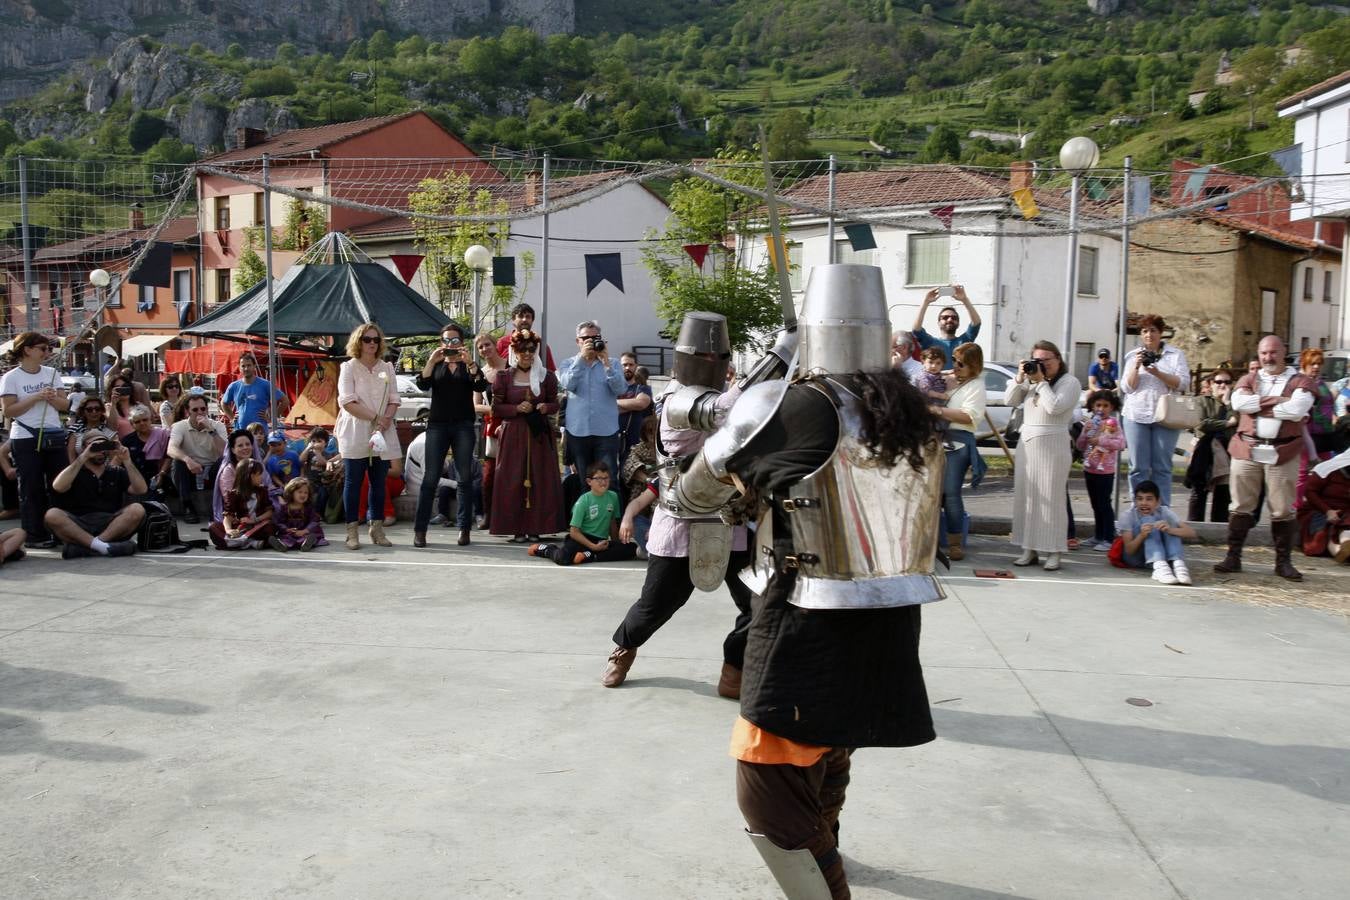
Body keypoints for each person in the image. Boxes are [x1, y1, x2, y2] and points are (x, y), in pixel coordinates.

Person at [667, 265, 942, 899]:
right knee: (829, 749)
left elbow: (696, 489)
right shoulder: (906, 407)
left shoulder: (801, 404)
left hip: (808, 610)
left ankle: (825, 884)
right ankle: (829, 847)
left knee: (767, 785)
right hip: (892, 611)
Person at [599, 311, 754, 697]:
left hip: (729, 517)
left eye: (719, 358)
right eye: (706, 358)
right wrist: (779, 357)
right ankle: (625, 646)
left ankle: (734, 667)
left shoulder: (721, 397)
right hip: (681, 518)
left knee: (760, 603)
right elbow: (724, 410)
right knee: (655, 607)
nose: (714, 365)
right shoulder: (675, 400)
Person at [1215, 334, 1316, 580]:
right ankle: (1233, 557)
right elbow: (1239, 404)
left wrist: (1258, 403)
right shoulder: (1248, 378)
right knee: (1240, 505)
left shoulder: (1300, 380)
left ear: (1284, 352)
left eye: (1272, 352)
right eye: (1263, 353)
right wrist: (1280, 402)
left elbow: (1297, 409)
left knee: (1282, 509)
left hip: (1284, 451)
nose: (1268, 357)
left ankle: (1283, 562)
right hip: (1247, 449)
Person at [1008, 341, 1083, 571]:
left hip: (1054, 444)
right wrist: (1020, 379)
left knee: (1052, 499)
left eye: (1045, 360)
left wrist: (1041, 382)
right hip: (1027, 443)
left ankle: (1054, 550)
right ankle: (1028, 548)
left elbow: (1055, 408)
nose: (1040, 365)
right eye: (1036, 360)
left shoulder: (1070, 382)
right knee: (1027, 497)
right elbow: (1009, 400)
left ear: (1057, 359)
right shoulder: (1031, 380)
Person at [412, 322, 488, 549]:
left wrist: (471, 363)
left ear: (462, 343)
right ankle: (420, 530)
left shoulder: (467, 365)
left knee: (464, 478)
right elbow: (422, 383)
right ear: (441, 343)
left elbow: (481, 385)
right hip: (437, 425)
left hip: (464, 426)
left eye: (455, 340)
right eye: (446, 340)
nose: (450, 344)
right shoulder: (436, 365)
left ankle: (464, 529)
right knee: (430, 478)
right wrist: (431, 360)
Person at [489, 330, 566, 542]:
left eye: (531, 349)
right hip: (513, 434)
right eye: (522, 349)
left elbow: (555, 403)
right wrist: (516, 409)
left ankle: (536, 528)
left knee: (539, 478)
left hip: (538, 435)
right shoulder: (504, 377)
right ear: (514, 350)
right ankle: (517, 528)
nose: (527, 353)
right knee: (512, 477)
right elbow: (496, 408)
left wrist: (544, 407)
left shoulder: (546, 376)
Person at [0, 332, 71, 548]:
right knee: (31, 487)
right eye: (42, 348)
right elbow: (9, 411)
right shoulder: (11, 377)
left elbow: (65, 406)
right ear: (27, 350)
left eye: (48, 348)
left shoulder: (51, 373)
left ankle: (62, 531)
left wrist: (53, 398)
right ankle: (34, 535)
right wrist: (35, 397)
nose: (46, 352)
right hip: (25, 436)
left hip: (52, 433)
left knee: (58, 485)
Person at [336, 322, 402, 550]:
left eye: (376, 339)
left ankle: (377, 528)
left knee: (379, 482)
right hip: (357, 430)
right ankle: (352, 531)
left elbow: (394, 399)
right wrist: (376, 417)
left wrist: (384, 421)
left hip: (382, 431)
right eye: (367, 339)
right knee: (353, 482)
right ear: (358, 341)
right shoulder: (348, 367)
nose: (372, 343)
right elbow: (347, 401)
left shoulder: (387, 367)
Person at [1119, 314, 1190, 505]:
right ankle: (1139, 508)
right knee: (1138, 467)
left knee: (1162, 467)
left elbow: (1182, 383)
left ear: (1161, 333)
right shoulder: (1133, 356)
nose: (1149, 334)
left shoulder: (1175, 355)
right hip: (1136, 415)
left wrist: (1157, 372)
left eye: (1153, 330)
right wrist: (1137, 366)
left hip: (1165, 416)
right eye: (1144, 331)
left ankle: (1162, 510)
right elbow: (1127, 388)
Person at [44, 435, 145, 559]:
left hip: (111, 525)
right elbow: (58, 486)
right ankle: (105, 547)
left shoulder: (116, 471)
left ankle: (92, 546)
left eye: (104, 446)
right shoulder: (75, 471)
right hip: (79, 525)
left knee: (137, 509)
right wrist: (83, 457)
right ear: (84, 448)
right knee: (52, 515)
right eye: (95, 446)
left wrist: (127, 461)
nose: (100, 451)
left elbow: (141, 489)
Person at [932, 342, 988, 561]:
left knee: (951, 492)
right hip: (937, 440)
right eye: (954, 360)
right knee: (934, 493)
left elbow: (969, 417)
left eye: (961, 363)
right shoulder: (953, 380)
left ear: (973, 365)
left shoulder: (976, 386)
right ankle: (931, 539)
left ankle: (955, 544)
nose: (955, 365)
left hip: (958, 443)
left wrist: (938, 410)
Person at [528, 461, 637, 565]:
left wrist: (616, 544)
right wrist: (593, 547)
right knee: (563, 558)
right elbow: (574, 531)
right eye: (599, 479)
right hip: (581, 538)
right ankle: (548, 549)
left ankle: (589, 556)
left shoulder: (613, 496)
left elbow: (612, 522)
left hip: (600, 540)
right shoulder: (583, 501)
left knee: (631, 549)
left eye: (606, 478)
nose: (603, 482)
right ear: (589, 482)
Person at [557, 319, 627, 481]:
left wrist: (607, 364)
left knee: (608, 480)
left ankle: (612, 507)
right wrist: (581, 359)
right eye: (586, 339)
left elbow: (621, 389)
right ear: (577, 341)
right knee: (583, 480)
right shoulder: (568, 363)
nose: (591, 342)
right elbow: (568, 384)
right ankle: (584, 507)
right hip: (578, 431)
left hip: (606, 432)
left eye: (595, 338)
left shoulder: (613, 363)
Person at [1117, 479, 1197, 584]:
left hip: (1164, 557)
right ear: (1135, 501)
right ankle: (1159, 566)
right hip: (1136, 558)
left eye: (1149, 499)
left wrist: (1169, 529)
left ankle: (1178, 565)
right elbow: (1129, 551)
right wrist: (1142, 535)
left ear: (1158, 501)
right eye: (1140, 499)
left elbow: (1192, 533)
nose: (1144, 503)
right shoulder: (1127, 516)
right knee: (1148, 520)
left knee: (1169, 525)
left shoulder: (1164, 511)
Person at [1076, 390, 1126, 550]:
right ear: (1092, 406)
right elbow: (1080, 446)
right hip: (1090, 469)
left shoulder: (1113, 424)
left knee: (1104, 503)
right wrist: (1085, 433)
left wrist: (1102, 440)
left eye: (1105, 405)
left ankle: (1108, 537)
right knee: (1095, 504)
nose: (1101, 409)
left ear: (1112, 407)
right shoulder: (1091, 422)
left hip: (1106, 470)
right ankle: (1098, 536)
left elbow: (1121, 444)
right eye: (1098, 405)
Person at [166, 392, 227, 523]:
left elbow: (225, 452)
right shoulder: (179, 426)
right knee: (178, 462)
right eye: (195, 409)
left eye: (203, 409)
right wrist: (188, 460)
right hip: (191, 471)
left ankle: (219, 508)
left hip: (211, 471)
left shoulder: (218, 426)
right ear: (187, 411)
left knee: (224, 462)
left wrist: (211, 431)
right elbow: (171, 449)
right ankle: (188, 506)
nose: (200, 412)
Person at [1184, 372, 1235, 522]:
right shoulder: (1202, 401)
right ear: (1212, 384)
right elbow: (1201, 423)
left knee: (1223, 493)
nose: (1223, 385)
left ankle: (1218, 528)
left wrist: (1227, 404)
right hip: (1204, 452)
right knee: (1199, 490)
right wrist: (1227, 423)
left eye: (1227, 382)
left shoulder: (1233, 403)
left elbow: (1236, 422)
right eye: (1218, 382)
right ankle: (1194, 525)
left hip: (1226, 452)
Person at [473, 333, 508, 530]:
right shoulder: (480, 374)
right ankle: (488, 514)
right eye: (480, 347)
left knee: (511, 473)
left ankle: (510, 515)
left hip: (512, 427)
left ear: (495, 346)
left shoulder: (510, 368)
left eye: (487, 345)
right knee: (488, 476)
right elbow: (475, 405)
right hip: (491, 428)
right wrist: (495, 410)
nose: (485, 349)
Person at [1297, 348, 1337, 507]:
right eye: (1312, 363)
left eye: (1319, 363)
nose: (1316, 367)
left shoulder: (1321, 382)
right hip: (1307, 435)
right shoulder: (1301, 383)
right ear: (1305, 364)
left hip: (1325, 435)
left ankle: (1318, 508)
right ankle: (1297, 509)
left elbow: (1329, 406)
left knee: (1325, 472)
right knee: (1302, 474)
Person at [208, 458, 276, 550]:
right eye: (259, 474)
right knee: (213, 527)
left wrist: (253, 520)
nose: (261, 477)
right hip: (241, 528)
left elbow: (270, 512)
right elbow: (228, 516)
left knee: (270, 526)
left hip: (257, 526)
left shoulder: (262, 491)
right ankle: (251, 543)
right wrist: (228, 530)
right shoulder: (234, 494)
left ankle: (237, 543)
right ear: (250, 476)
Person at [1298, 448, 1350, 561]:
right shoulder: (1326, 470)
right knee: (1318, 541)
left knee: (1346, 524)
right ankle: (1339, 550)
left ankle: (1345, 545)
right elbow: (1310, 492)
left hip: (1346, 512)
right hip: (1318, 510)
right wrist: (1327, 511)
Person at [911, 284, 981, 366]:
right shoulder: (930, 342)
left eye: (954, 318)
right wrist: (926, 301)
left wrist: (964, 300)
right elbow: (916, 329)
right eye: (945, 317)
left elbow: (976, 323)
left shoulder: (964, 342)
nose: (950, 319)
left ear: (958, 324)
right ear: (938, 323)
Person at [221, 352, 289, 429]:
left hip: (260, 434)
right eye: (243, 366)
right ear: (239, 368)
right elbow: (223, 403)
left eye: (249, 365)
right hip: (240, 432)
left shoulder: (265, 385)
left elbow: (285, 401)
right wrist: (232, 418)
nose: (246, 368)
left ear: (254, 366)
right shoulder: (234, 386)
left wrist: (272, 417)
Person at [121, 404, 171, 498]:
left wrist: (162, 473)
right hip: (136, 477)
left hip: (159, 474)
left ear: (150, 420)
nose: (142, 423)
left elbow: (168, 457)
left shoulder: (162, 435)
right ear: (132, 424)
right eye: (137, 421)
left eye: (145, 420)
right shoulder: (127, 440)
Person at [617, 351, 654, 475]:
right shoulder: (614, 387)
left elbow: (641, 404)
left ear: (636, 366)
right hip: (610, 438)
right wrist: (630, 404)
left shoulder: (642, 388)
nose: (627, 368)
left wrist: (614, 402)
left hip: (632, 441)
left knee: (627, 474)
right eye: (624, 365)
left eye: (631, 365)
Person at [495, 302, 556, 370]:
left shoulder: (540, 345)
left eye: (528, 317)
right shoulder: (502, 343)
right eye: (521, 316)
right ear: (513, 320)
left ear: (532, 320)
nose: (524, 319)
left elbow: (551, 372)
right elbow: (494, 368)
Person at [271, 476, 325, 551]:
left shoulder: (308, 507)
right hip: (290, 532)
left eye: (306, 492)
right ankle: (282, 545)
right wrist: (286, 529)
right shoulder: (284, 508)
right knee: (286, 537)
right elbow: (279, 522)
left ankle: (306, 543)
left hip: (304, 531)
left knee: (310, 535)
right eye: (300, 492)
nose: (303, 495)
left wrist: (305, 530)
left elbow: (314, 521)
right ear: (291, 492)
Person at [298, 426, 338, 519]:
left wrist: (317, 452)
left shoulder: (327, 455)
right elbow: (301, 459)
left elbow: (322, 462)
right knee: (306, 494)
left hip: (322, 482)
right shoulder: (309, 453)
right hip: (310, 481)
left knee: (323, 494)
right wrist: (308, 448)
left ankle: (318, 513)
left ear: (326, 443)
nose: (316, 443)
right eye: (314, 441)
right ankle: (307, 513)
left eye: (319, 441)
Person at [66, 394, 118, 462]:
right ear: (83, 412)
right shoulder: (75, 430)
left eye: (97, 409)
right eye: (89, 409)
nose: (94, 412)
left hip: (106, 469)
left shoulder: (108, 430)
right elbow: (72, 457)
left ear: (102, 411)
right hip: (82, 469)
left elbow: (113, 457)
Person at [263, 430, 302, 494]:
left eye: (279, 444)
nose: (276, 447)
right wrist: (282, 485)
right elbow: (273, 475)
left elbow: (302, 466)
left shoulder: (293, 454)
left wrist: (301, 478)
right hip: (284, 487)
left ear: (285, 443)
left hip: (298, 485)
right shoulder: (270, 460)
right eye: (273, 445)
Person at [105, 374, 136, 438]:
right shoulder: (108, 407)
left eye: (125, 386)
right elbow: (112, 428)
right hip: (121, 445)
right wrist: (113, 404)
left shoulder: (139, 406)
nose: (123, 389)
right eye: (118, 388)